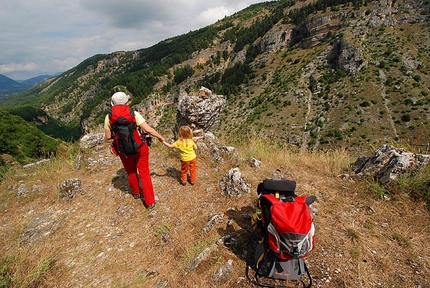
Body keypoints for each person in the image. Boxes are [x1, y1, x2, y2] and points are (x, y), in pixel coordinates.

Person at [104, 91, 165, 209]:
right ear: (126, 102)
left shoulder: (108, 117)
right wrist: (161, 138)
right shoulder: (134, 114)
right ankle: (150, 202)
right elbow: (148, 130)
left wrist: (119, 137)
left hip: (123, 151)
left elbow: (107, 137)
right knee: (144, 174)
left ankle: (136, 193)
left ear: (113, 104)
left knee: (131, 172)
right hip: (139, 149)